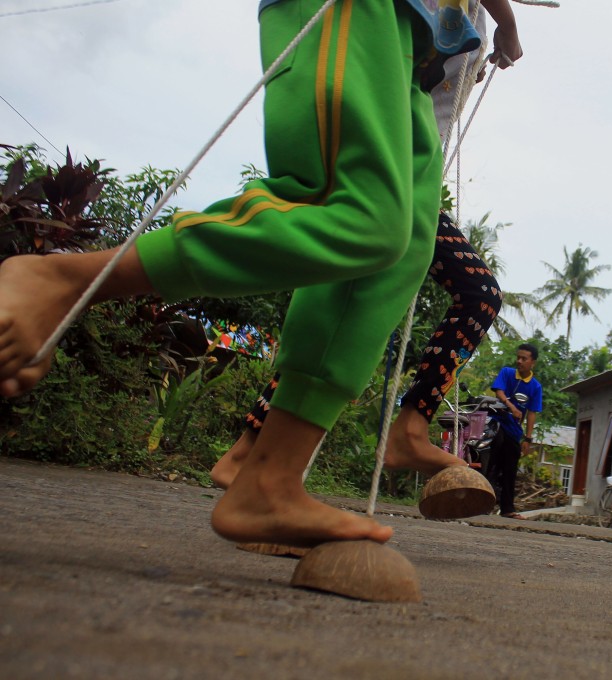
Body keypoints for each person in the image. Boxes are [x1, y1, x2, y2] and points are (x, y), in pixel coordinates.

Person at [0, 0, 522, 550]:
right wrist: (507, 24)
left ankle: (268, 482)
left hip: (420, 51)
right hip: (365, 9)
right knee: (364, 219)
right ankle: (63, 279)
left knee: (398, 253)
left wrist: (501, 26)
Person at [211, 0, 519, 490]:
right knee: (469, 294)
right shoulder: (442, 8)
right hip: (384, 172)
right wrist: (510, 27)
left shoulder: (467, 17)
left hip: (410, 179)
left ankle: (251, 453)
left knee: (359, 309)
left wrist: (482, 53)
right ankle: (403, 430)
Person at [487, 342, 542, 519]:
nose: (519, 361)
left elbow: (532, 413)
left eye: (524, 359)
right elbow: (499, 392)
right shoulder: (507, 373)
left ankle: (507, 509)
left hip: (514, 431)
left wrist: (528, 438)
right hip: (496, 424)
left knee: (510, 469)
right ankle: (483, 502)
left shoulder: (535, 387)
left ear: (532, 362)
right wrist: (511, 407)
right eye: (518, 357)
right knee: (491, 463)